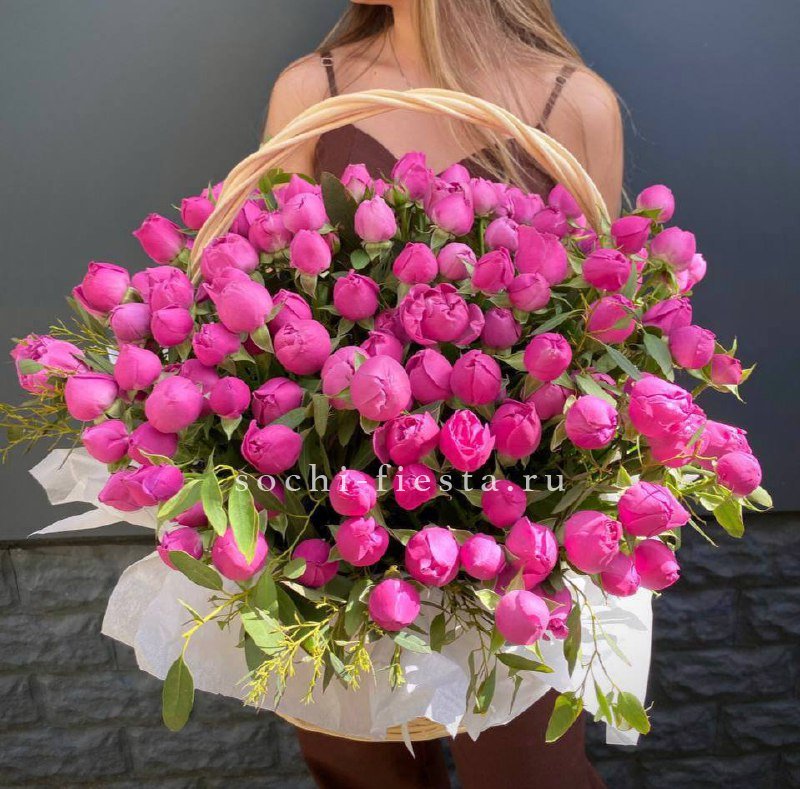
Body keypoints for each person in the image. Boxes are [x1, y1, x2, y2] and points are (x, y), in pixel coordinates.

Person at [264, 2, 620, 787]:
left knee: (529, 773)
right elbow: (266, 294)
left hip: (516, 524)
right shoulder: (312, 89)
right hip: (336, 511)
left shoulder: (573, 101)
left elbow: (598, 332)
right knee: (354, 763)